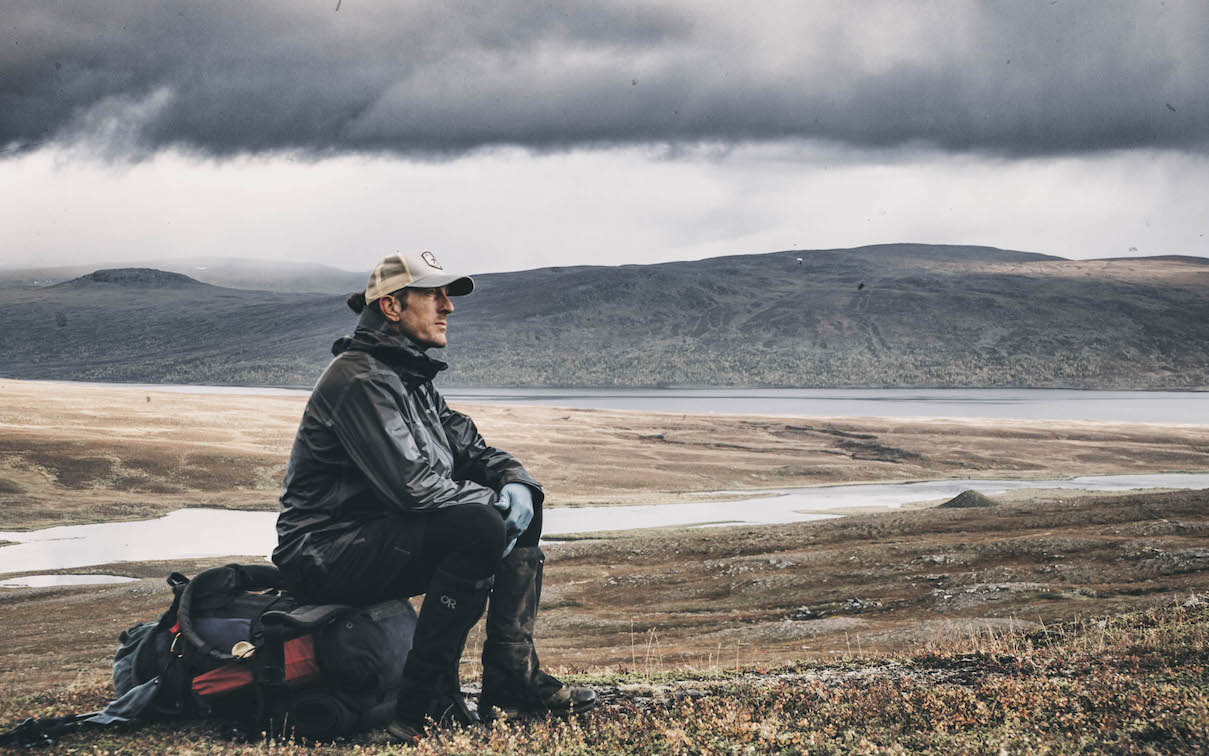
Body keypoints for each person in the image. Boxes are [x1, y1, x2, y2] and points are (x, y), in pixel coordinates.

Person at [272, 251, 595, 741]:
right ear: (392, 307)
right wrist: (494, 506)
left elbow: (472, 449)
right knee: (478, 526)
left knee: (522, 506)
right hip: (323, 553)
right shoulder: (360, 380)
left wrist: (515, 482)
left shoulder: (410, 378)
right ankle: (419, 707)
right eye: (434, 296)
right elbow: (415, 489)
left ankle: (511, 680)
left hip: (372, 540)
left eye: (447, 296)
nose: (449, 307)